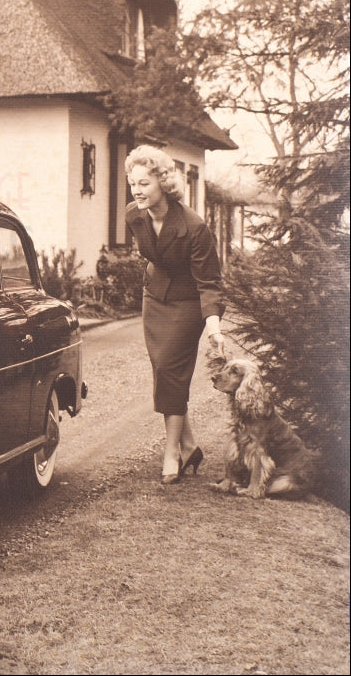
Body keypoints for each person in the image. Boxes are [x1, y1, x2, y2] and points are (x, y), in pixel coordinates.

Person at [125, 145, 226, 485]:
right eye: (133, 183)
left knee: (169, 368)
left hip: (188, 304)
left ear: (163, 184)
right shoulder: (133, 215)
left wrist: (213, 327)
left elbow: (209, 282)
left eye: (144, 184)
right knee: (166, 373)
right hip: (153, 298)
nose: (137, 191)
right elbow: (154, 257)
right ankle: (190, 444)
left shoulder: (194, 227)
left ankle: (172, 452)